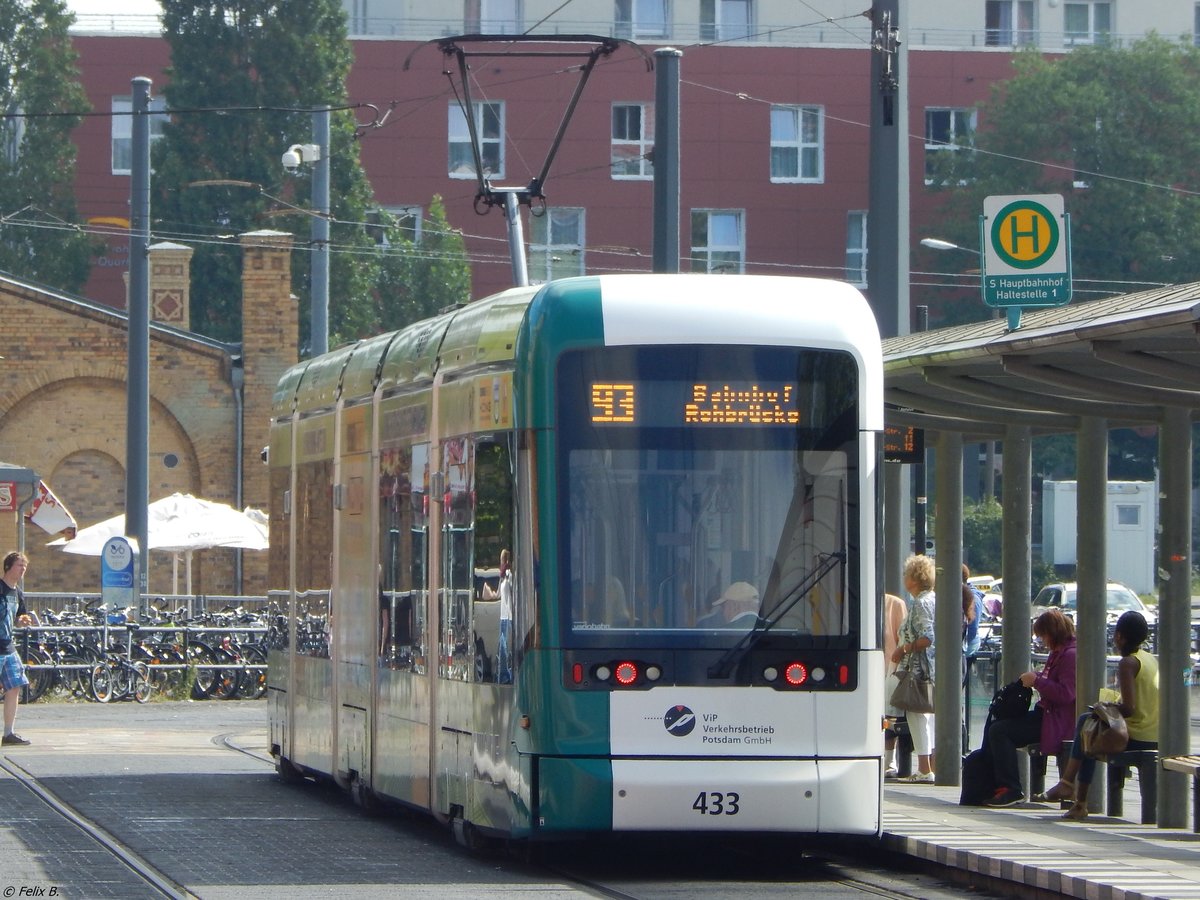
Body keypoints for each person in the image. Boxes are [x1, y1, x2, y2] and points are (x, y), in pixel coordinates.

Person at [1043, 610, 1158, 820]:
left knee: (1088, 727)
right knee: (1088, 728)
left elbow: (1129, 708)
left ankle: (1072, 791)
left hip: (1138, 735)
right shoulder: (1150, 659)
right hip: (1154, 734)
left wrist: (1106, 707)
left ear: (1119, 636)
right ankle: (1072, 792)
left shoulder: (1128, 663)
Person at [983, 608, 1077, 807]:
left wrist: (1037, 681)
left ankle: (1011, 788)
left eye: (1043, 636)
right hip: (1048, 715)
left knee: (1000, 731)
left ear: (1053, 633)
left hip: (1056, 721)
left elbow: (1067, 694)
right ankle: (1005, 785)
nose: (1042, 641)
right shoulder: (1058, 653)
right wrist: (1039, 678)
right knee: (999, 726)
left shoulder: (1069, 656)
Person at [892, 554, 936, 782]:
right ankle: (930, 766)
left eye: (906, 574)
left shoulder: (920, 603)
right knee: (928, 717)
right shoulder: (933, 600)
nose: (903, 578)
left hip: (921, 669)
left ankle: (924, 768)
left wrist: (904, 649)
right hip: (933, 669)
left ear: (914, 579)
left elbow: (928, 637)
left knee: (917, 715)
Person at [0, 551, 37, 746]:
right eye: (18, 565)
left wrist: (22, 620)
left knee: (14, 686)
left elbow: (19, 617)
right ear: (8, 567)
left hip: (7, 645)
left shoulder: (17, 592)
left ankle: (8, 733)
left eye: (24, 566)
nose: (22, 569)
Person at [882, 592, 907, 778]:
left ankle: (889, 760)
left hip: (890, 668)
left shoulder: (895, 604)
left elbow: (903, 636)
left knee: (890, 716)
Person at [496, 549, 513, 683]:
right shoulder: (502, 577)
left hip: (509, 617)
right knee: (502, 649)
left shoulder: (509, 575)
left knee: (507, 648)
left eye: (503, 560)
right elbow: (498, 595)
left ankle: (509, 676)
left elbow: (512, 591)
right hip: (502, 616)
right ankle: (503, 677)